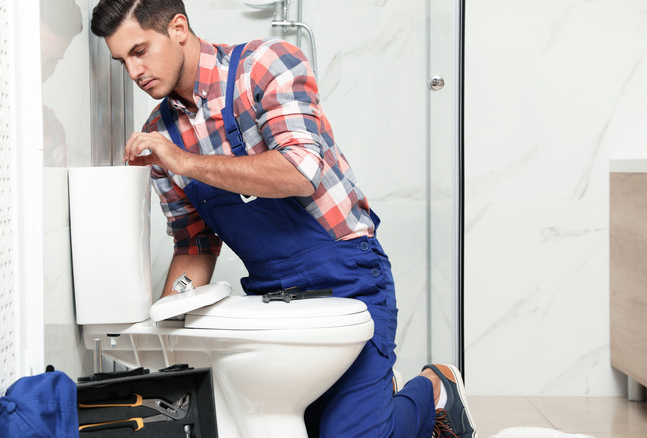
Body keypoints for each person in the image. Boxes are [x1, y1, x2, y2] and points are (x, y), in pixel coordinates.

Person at [90, 1, 477, 437]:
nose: (134, 71)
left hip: (349, 275)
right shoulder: (160, 136)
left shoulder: (263, 66)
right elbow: (194, 244)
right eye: (122, 60)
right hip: (275, 297)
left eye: (140, 50)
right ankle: (373, 390)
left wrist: (184, 161)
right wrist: (163, 329)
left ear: (178, 27)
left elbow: (299, 171)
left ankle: (435, 386)